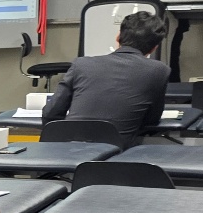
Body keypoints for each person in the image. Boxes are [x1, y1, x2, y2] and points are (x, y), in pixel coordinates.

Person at [42, 11, 171, 148]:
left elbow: (51, 112)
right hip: (118, 154)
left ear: (118, 37)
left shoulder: (81, 64)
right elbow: (152, 120)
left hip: (68, 150)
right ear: (154, 48)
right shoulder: (159, 70)